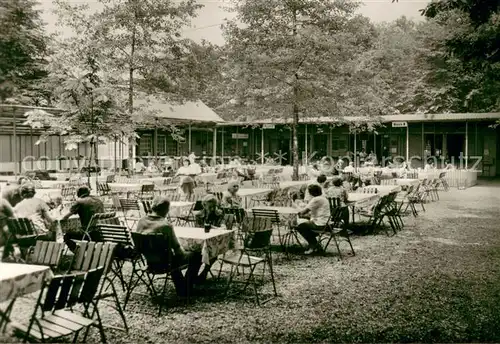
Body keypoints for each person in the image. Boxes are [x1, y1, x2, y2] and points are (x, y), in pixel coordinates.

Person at [136, 196, 202, 297]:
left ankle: (181, 286)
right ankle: (186, 287)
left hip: (150, 262)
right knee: (197, 255)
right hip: (167, 264)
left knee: (170, 257)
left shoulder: (141, 221)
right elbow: (178, 251)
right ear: (166, 210)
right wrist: (187, 250)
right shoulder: (166, 225)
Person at [61, 186, 105, 250]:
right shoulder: (98, 200)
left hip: (88, 233)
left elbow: (65, 217)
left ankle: (77, 252)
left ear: (78, 193)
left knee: (67, 236)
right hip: (100, 232)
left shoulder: (80, 201)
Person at [296, 184, 331, 255]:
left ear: (312, 193)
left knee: (300, 226)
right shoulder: (323, 198)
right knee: (305, 225)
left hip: (321, 223)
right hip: (326, 222)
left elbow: (305, 211)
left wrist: (298, 211)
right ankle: (315, 244)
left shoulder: (316, 199)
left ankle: (313, 245)